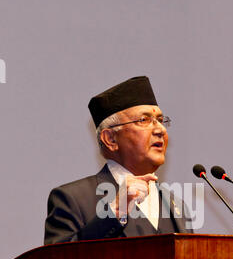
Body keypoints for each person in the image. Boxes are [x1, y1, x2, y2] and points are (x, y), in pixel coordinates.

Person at [44, 76, 192, 244]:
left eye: (160, 120)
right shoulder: (72, 199)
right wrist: (115, 211)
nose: (160, 129)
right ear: (110, 139)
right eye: (144, 120)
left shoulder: (176, 207)